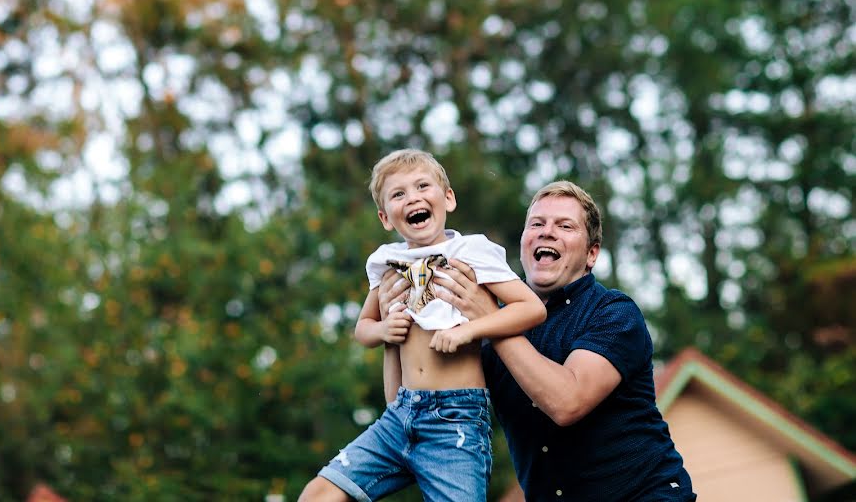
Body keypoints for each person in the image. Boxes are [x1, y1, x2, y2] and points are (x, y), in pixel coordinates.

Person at [378, 180, 697, 501]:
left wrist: (490, 320)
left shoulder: (613, 313)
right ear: (524, 243)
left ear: (592, 254)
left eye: (565, 226)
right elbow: (406, 410)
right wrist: (394, 329)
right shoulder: (477, 327)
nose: (547, 232)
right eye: (537, 224)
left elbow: (567, 402)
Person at [298, 149, 546, 502]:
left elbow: (531, 308)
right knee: (317, 494)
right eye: (398, 194)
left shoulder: (471, 251)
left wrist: (469, 330)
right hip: (400, 415)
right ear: (386, 217)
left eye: (422, 186)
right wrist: (385, 331)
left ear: (448, 198)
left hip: (455, 421)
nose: (412, 197)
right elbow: (363, 328)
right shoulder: (388, 262)